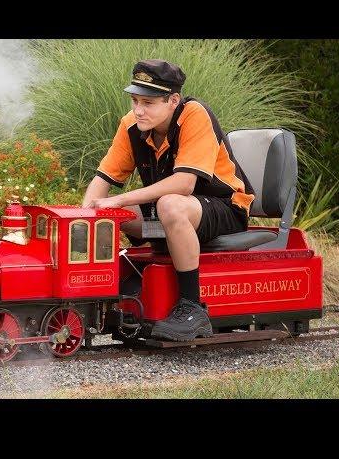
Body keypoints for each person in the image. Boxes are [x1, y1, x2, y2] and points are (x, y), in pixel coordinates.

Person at [82, 59, 255, 341]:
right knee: (111, 214)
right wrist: (86, 214)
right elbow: (103, 178)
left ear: (173, 100)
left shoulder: (194, 114)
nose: (138, 109)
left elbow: (184, 184)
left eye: (148, 102)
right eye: (135, 100)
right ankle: (99, 288)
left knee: (169, 203)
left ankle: (192, 309)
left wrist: (120, 199)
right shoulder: (131, 125)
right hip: (172, 214)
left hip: (225, 207)